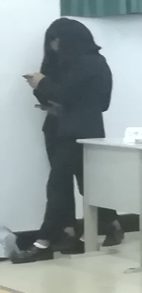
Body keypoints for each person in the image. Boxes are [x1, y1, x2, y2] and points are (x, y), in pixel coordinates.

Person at [10, 19, 116, 263]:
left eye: (56, 39)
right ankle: (100, 225)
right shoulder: (65, 62)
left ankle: (44, 241)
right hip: (58, 129)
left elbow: (79, 98)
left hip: (78, 131)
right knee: (80, 182)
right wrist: (41, 87)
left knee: (60, 184)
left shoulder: (90, 62)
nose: (53, 45)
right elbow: (60, 95)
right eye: (51, 40)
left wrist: (43, 83)